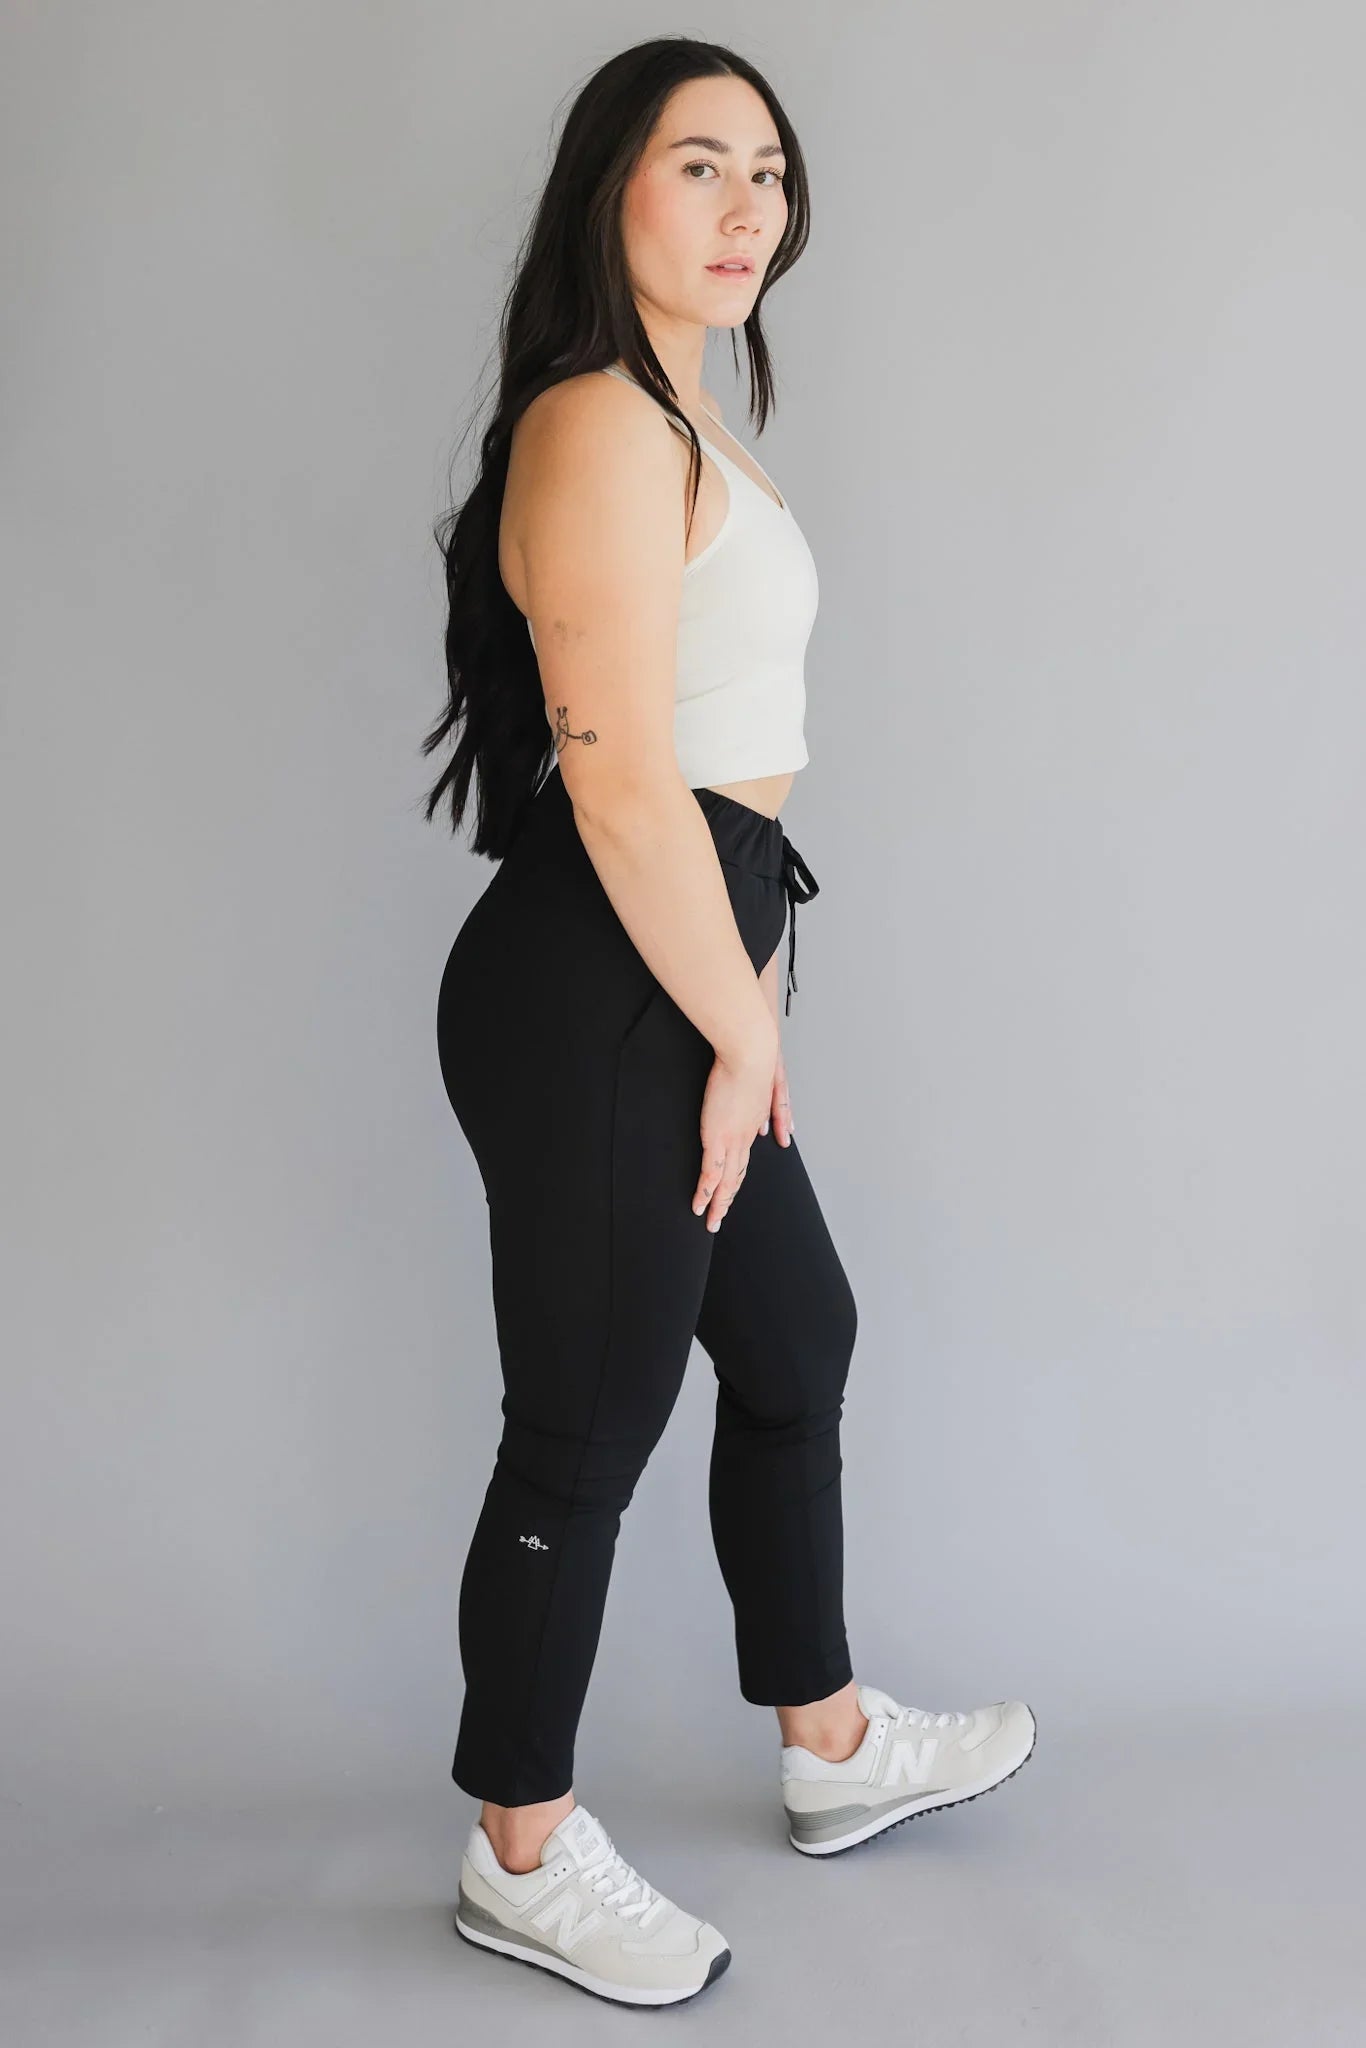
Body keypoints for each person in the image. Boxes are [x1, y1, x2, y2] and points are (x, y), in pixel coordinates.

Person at [423, 37, 1036, 2008]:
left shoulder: (686, 418)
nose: (749, 203)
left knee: (794, 1335)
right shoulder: (594, 423)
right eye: (700, 166)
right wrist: (736, 1033)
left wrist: (751, 1011)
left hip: (690, 952)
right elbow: (615, 779)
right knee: (586, 1423)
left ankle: (828, 1742)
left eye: (766, 169)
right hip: (602, 972)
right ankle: (516, 1844)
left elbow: (730, 777)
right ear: (612, 193)